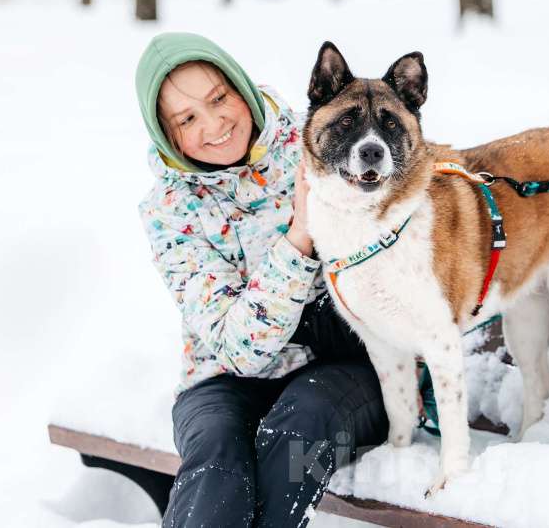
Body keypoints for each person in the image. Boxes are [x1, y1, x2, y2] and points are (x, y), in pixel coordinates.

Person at [135, 32, 388, 527]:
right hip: (225, 379)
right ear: (167, 136)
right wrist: (299, 240)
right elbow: (241, 351)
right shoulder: (169, 211)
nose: (214, 125)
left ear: (242, 88)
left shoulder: (322, 143)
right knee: (215, 461)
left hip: (345, 370)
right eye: (187, 119)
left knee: (296, 435)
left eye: (218, 99)